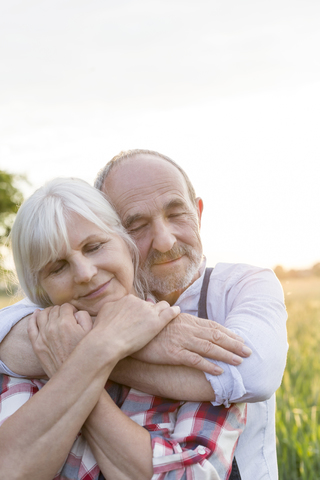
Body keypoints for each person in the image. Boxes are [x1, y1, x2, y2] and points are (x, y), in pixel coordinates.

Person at [0, 150, 288, 479]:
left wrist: (94, 353)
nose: (165, 242)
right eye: (137, 226)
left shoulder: (228, 304)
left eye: (176, 214)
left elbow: (251, 374)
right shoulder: (51, 321)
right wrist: (105, 345)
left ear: (198, 212)